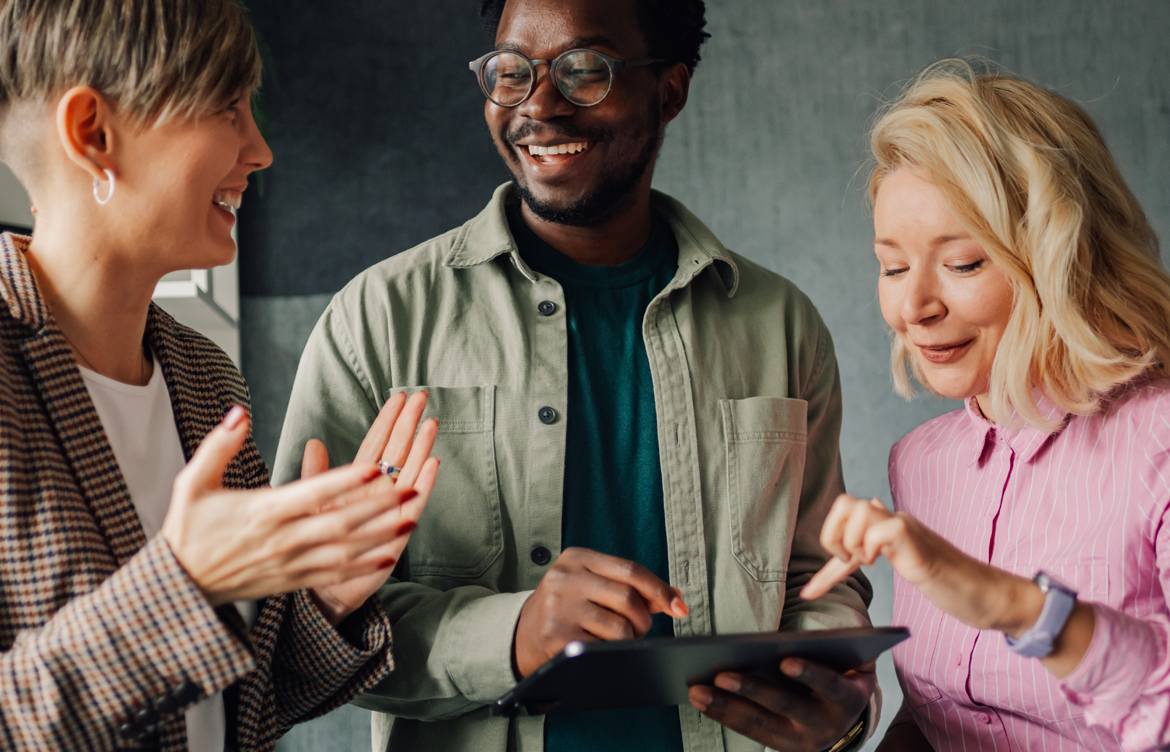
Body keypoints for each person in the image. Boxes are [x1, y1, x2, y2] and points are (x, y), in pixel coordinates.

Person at [273, 0, 878, 751]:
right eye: (510, 71)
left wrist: (839, 707)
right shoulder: (377, 322)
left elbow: (820, 576)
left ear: (670, 91)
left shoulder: (781, 325)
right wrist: (512, 634)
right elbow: (295, 626)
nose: (538, 104)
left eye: (584, 70)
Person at [0, 1, 441, 750]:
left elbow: (237, 708)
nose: (261, 149)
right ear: (93, 134)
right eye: (227, 109)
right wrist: (183, 585)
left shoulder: (205, 378)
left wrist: (324, 598)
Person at [802, 59, 1170, 751]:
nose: (915, 307)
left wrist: (1009, 603)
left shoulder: (1160, 441)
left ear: (1061, 256)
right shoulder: (920, 463)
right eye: (893, 266)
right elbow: (945, 718)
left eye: (964, 262)